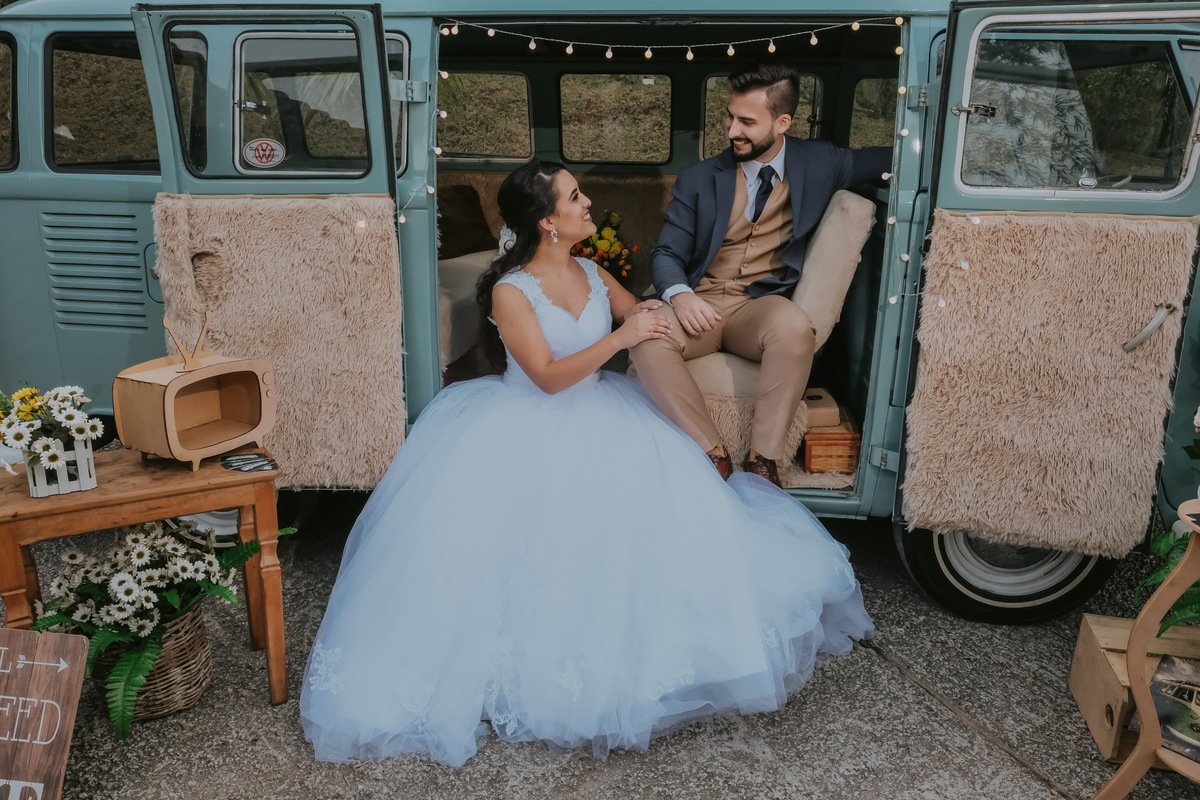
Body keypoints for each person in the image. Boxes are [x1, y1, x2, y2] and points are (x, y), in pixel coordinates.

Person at [299, 161, 874, 768]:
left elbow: (640, 314)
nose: (588, 203)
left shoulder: (595, 272)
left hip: (606, 410)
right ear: (548, 222)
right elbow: (546, 377)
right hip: (527, 424)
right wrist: (620, 341)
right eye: (576, 197)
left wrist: (674, 310)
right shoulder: (510, 290)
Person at [630, 63, 892, 487]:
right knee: (644, 335)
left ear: (782, 122)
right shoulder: (699, 179)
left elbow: (890, 160)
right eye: (729, 117)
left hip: (757, 307)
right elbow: (666, 252)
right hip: (702, 303)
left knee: (793, 326)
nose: (732, 130)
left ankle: (762, 462)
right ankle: (711, 452)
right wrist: (680, 295)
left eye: (747, 122)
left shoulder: (821, 161)